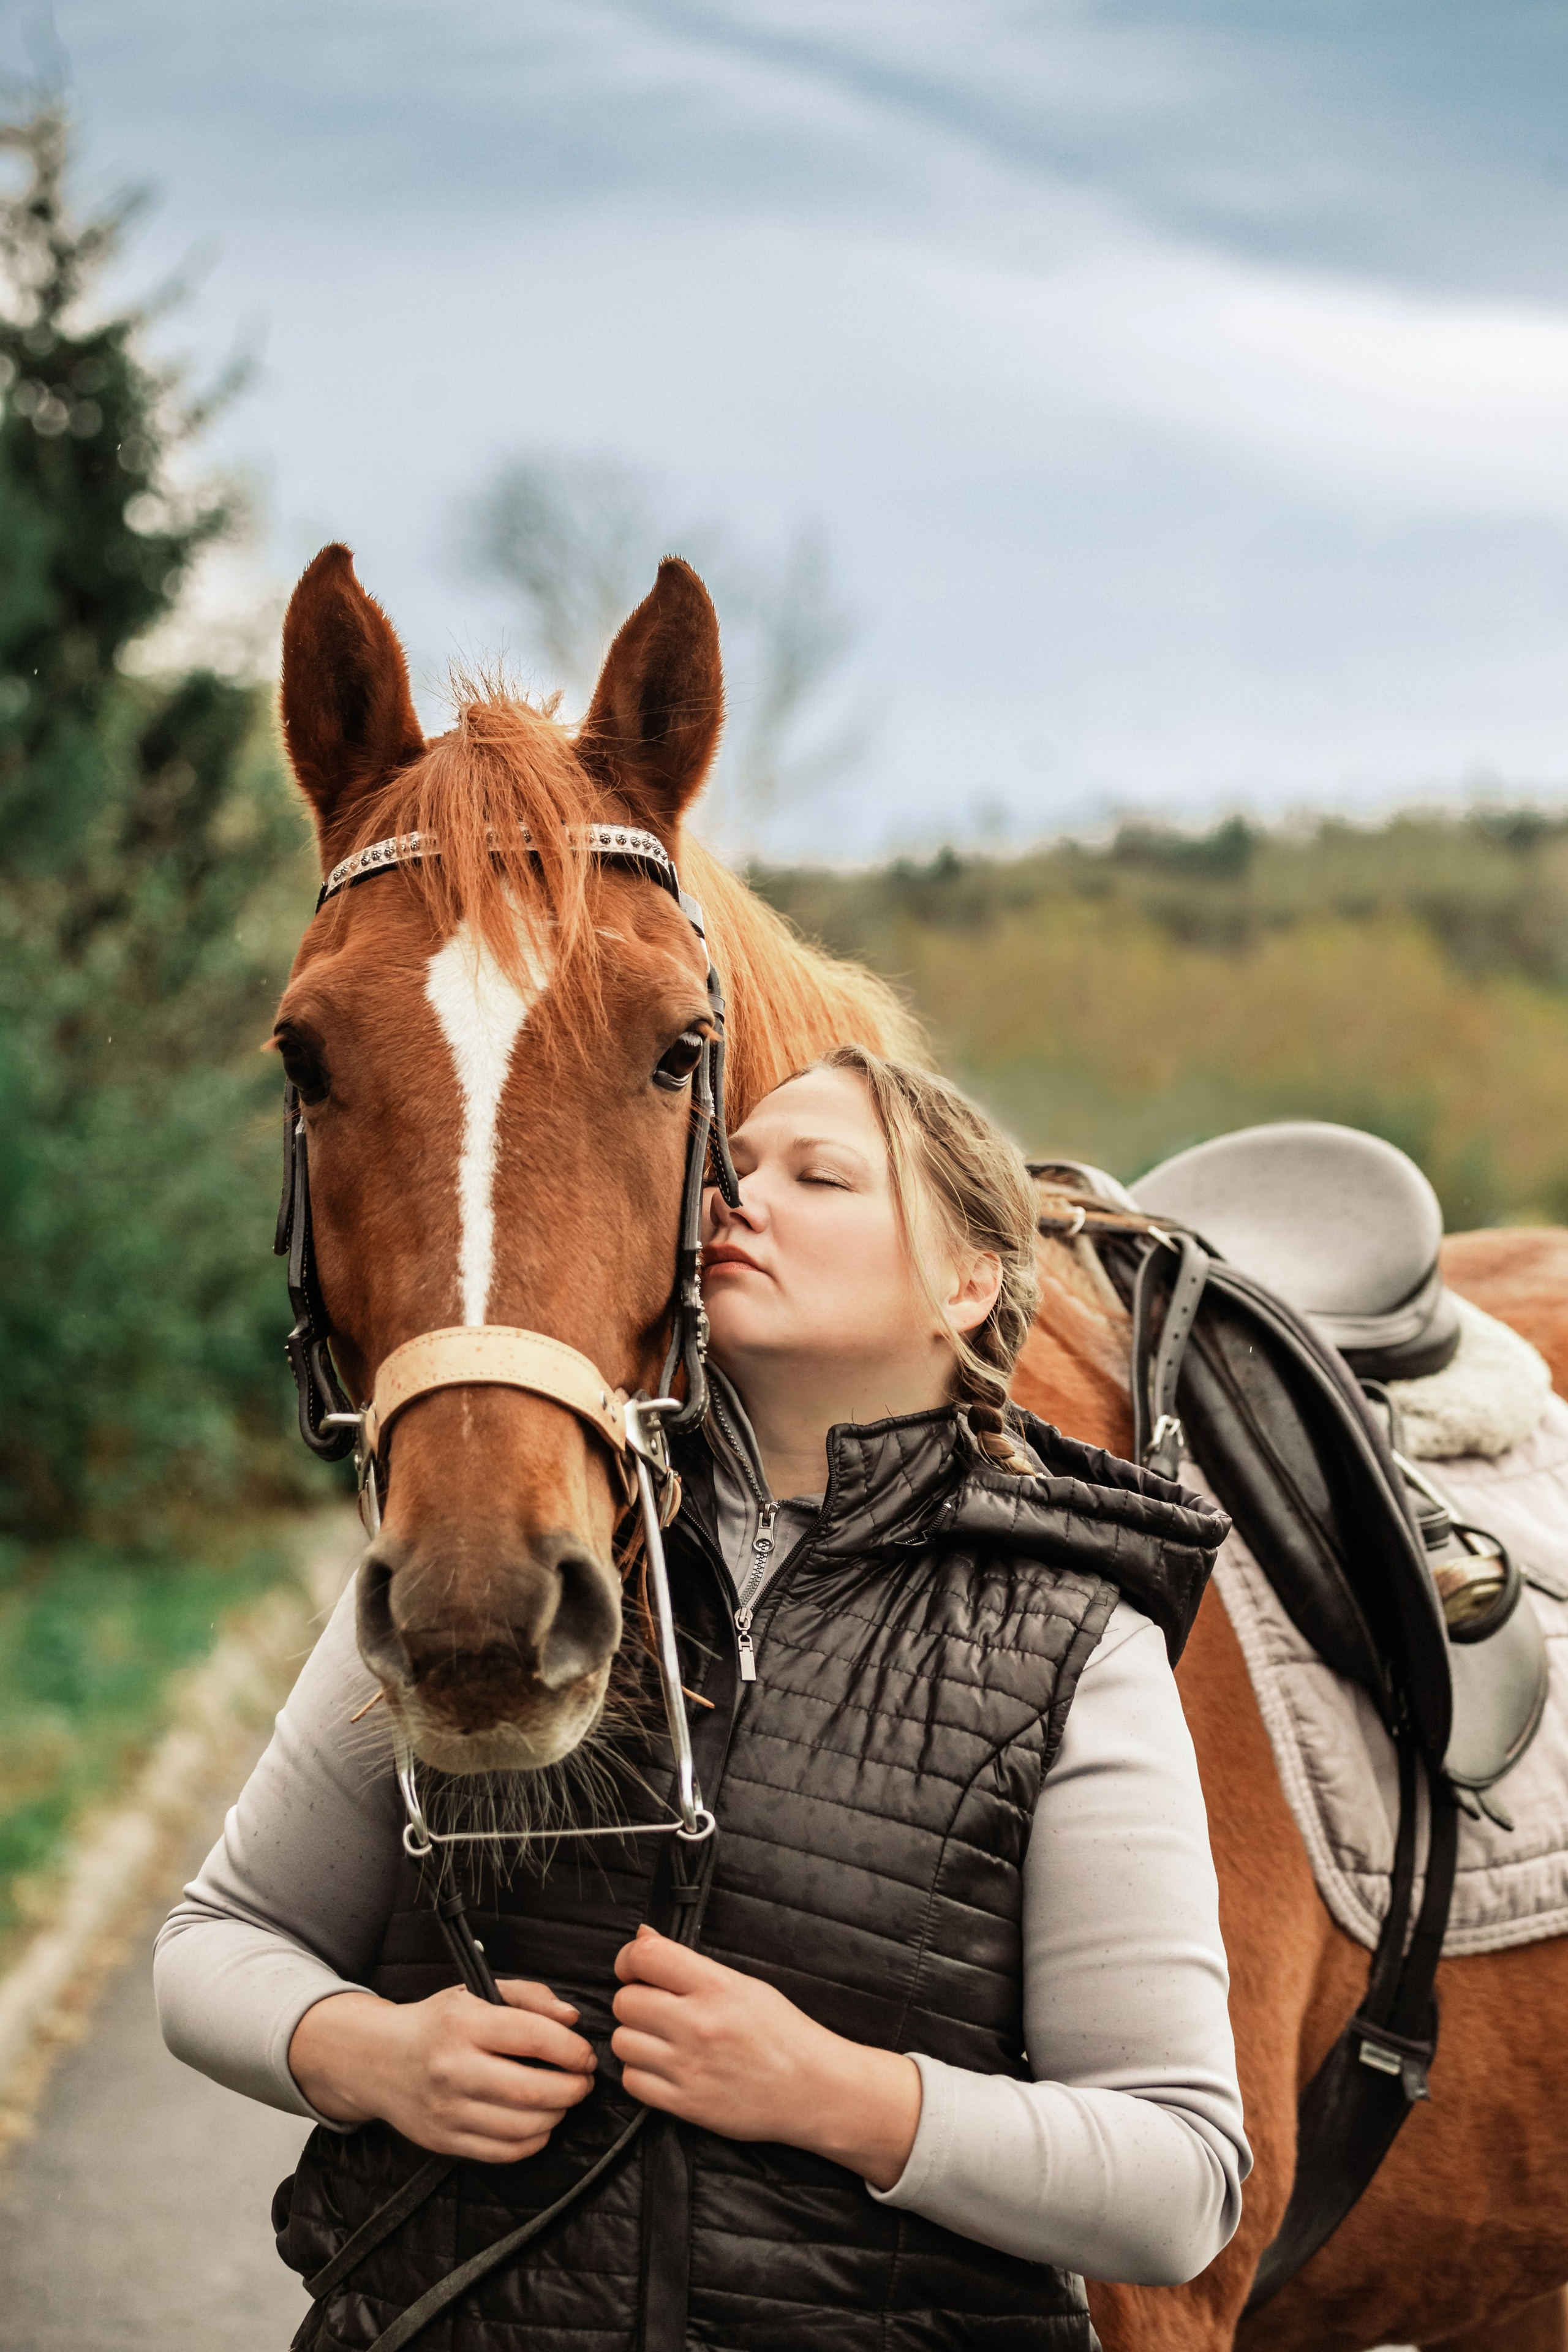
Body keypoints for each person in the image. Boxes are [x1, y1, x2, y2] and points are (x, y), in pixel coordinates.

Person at [156, 1045, 1249, 2351]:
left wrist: (837, 2096)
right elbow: (215, 1944)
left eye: (820, 1174)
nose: (739, 1198)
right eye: (728, 1171)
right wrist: (366, 2056)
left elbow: (1179, 2184)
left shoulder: (1078, 1642)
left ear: (967, 1285)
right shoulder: (503, 1561)